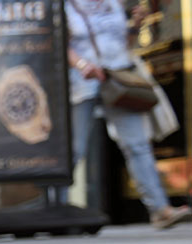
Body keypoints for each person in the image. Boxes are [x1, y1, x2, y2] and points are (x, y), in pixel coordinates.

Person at [67, 0, 191, 229]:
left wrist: (135, 25)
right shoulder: (67, 5)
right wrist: (82, 65)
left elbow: (125, 44)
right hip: (83, 84)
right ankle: (57, 205)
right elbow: (57, 43)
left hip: (118, 79)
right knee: (75, 148)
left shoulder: (114, 2)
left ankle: (160, 210)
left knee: (137, 145)